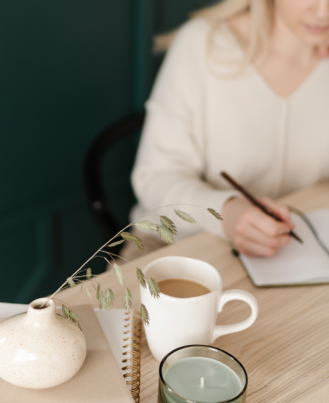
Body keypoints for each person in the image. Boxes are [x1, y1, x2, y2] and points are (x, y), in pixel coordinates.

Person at [128, 0, 329, 260]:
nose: (323, 12)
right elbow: (154, 178)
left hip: (292, 250)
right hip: (174, 244)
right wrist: (225, 212)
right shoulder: (201, 44)